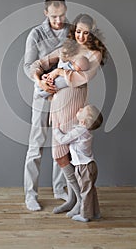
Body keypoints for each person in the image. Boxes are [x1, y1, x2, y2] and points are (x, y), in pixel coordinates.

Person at [32, 13, 107, 215]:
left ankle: (81, 201)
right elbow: (38, 64)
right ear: (74, 31)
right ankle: (75, 199)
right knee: (63, 155)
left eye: (86, 33)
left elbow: (81, 79)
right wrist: (41, 80)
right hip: (56, 103)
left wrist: (57, 73)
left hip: (73, 106)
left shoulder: (94, 53)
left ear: (92, 33)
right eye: (78, 32)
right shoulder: (68, 48)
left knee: (62, 155)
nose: (81, 36)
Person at [24, 0, 70, 211]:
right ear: (45, 13)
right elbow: (28, 65)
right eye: (54, 16)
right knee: (36, 146)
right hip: (42, 93)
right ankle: (30, 194)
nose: (58, 20)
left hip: (65, 94)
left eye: (62, 15)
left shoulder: (72, 32)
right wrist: (40, 82)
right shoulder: (36, 33)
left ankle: (60, 189)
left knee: (61, 143)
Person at [53, 105, 103, 222]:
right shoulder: (85, 130)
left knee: (85, 192)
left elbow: (63, 139)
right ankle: (96, 213)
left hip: (83, 167)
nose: (79, 109)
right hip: (90, 165)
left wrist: (55, 129)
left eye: (82, 110)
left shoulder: (79, 131)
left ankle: (85, 215)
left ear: (83, 121)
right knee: (90, 191)